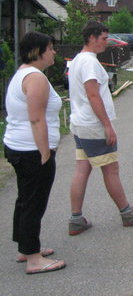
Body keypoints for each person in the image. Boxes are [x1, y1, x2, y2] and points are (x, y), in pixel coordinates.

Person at [68, 21, 133, 235]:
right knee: (111, 169)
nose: (107, 43)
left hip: (80, 124)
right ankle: (127, 213)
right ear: (92, 38)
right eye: (104, 38)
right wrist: (107, 125)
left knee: (82, 169)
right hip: (93, 126)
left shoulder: (78, 60)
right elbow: (93, 94)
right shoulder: (89, 63)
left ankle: (76, 219)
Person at [4, 32, 66, 274]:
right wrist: (44, 153)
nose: (54, 52)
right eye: (50, 48)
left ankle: (25, 247)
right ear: (37, 51)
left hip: (18, 146)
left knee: (25, 199)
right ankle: (33, 259)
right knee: (33, 202)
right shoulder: (35, 78)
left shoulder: (23, 73)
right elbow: (36, 118)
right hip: (31, 150)